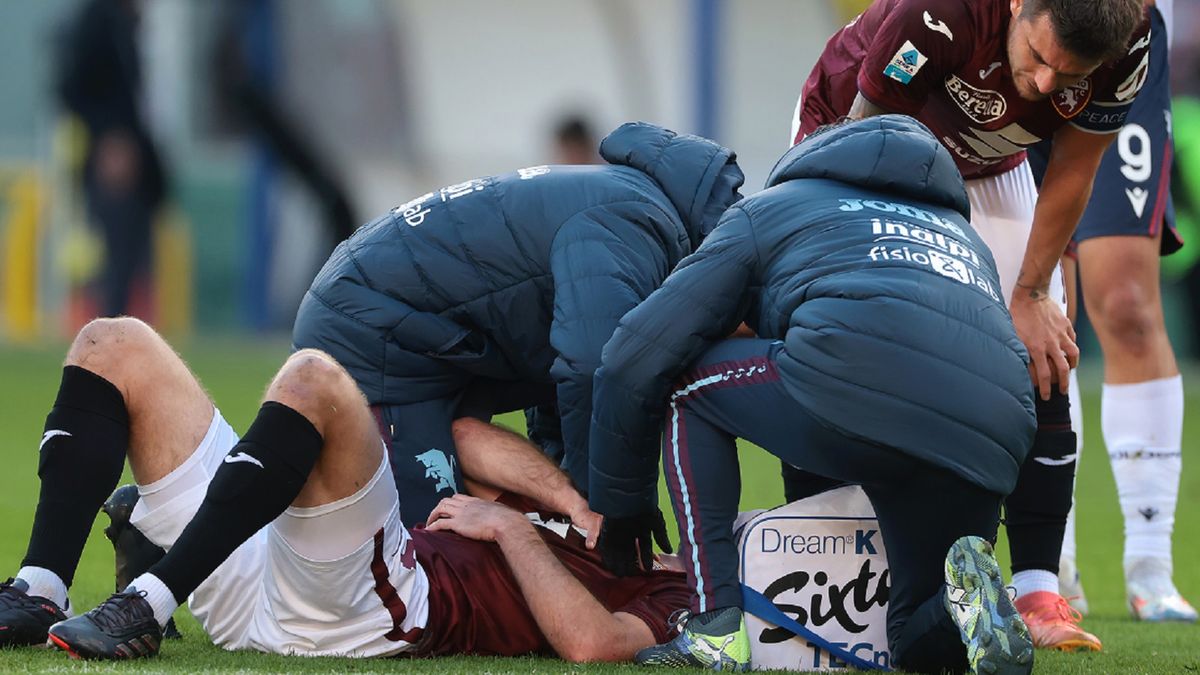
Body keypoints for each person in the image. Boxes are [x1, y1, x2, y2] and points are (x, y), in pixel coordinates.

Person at [589, 115, 1036, 674]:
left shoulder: (774, 207)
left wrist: (621, 503)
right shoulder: (963, 235)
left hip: (860, 390)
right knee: (911, 643)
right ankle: (962, 606)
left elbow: (634, 354)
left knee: (686, 384)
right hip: (992, 434)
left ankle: (714, 631)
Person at [0, 316, 692, 662]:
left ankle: (147, 599)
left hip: (362, 604)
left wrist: (510, 526)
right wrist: (573, 503)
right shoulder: (601, 516)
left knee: (314, 378)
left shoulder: (684, 596)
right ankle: (39, 588)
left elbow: (594, 644)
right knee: (110, 342)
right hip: (252, 560)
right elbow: (462, 436)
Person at [789, 0, 1150, 651]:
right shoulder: (940, 14)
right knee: (846, 339)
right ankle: (825, 566)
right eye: (1038, 58)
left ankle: (1038, 587)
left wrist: (1033, 290)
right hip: (857, 135)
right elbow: (862, 148)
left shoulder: (1128, 41)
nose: (1045, 85)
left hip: (992, 159)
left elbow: (1074, 164)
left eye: (1068, 78)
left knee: (1045, 346)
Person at [292, 122, 744, 526]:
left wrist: (568, 483)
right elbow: (595, 365)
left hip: (396, 314)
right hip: (367, 329)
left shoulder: (627, 201)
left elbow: (551, 348)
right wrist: (615, 509)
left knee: (498, 506)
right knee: (429, 545)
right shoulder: (635, 224)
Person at [1025, 0, 1195, 623]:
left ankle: (1151, 567)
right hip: (1018, 39)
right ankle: (1053, 561)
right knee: (1040, 297)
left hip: (1117, 40)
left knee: (1125, 303)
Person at [56, 0, 169, 318]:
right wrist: (109, 138)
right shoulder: (96, 20)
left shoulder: (127, 22)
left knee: (136, 261)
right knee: (115, 263)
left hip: (140, 165)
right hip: (113, 163)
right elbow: (71, 89)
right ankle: (109, 343)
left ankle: (133, 340)